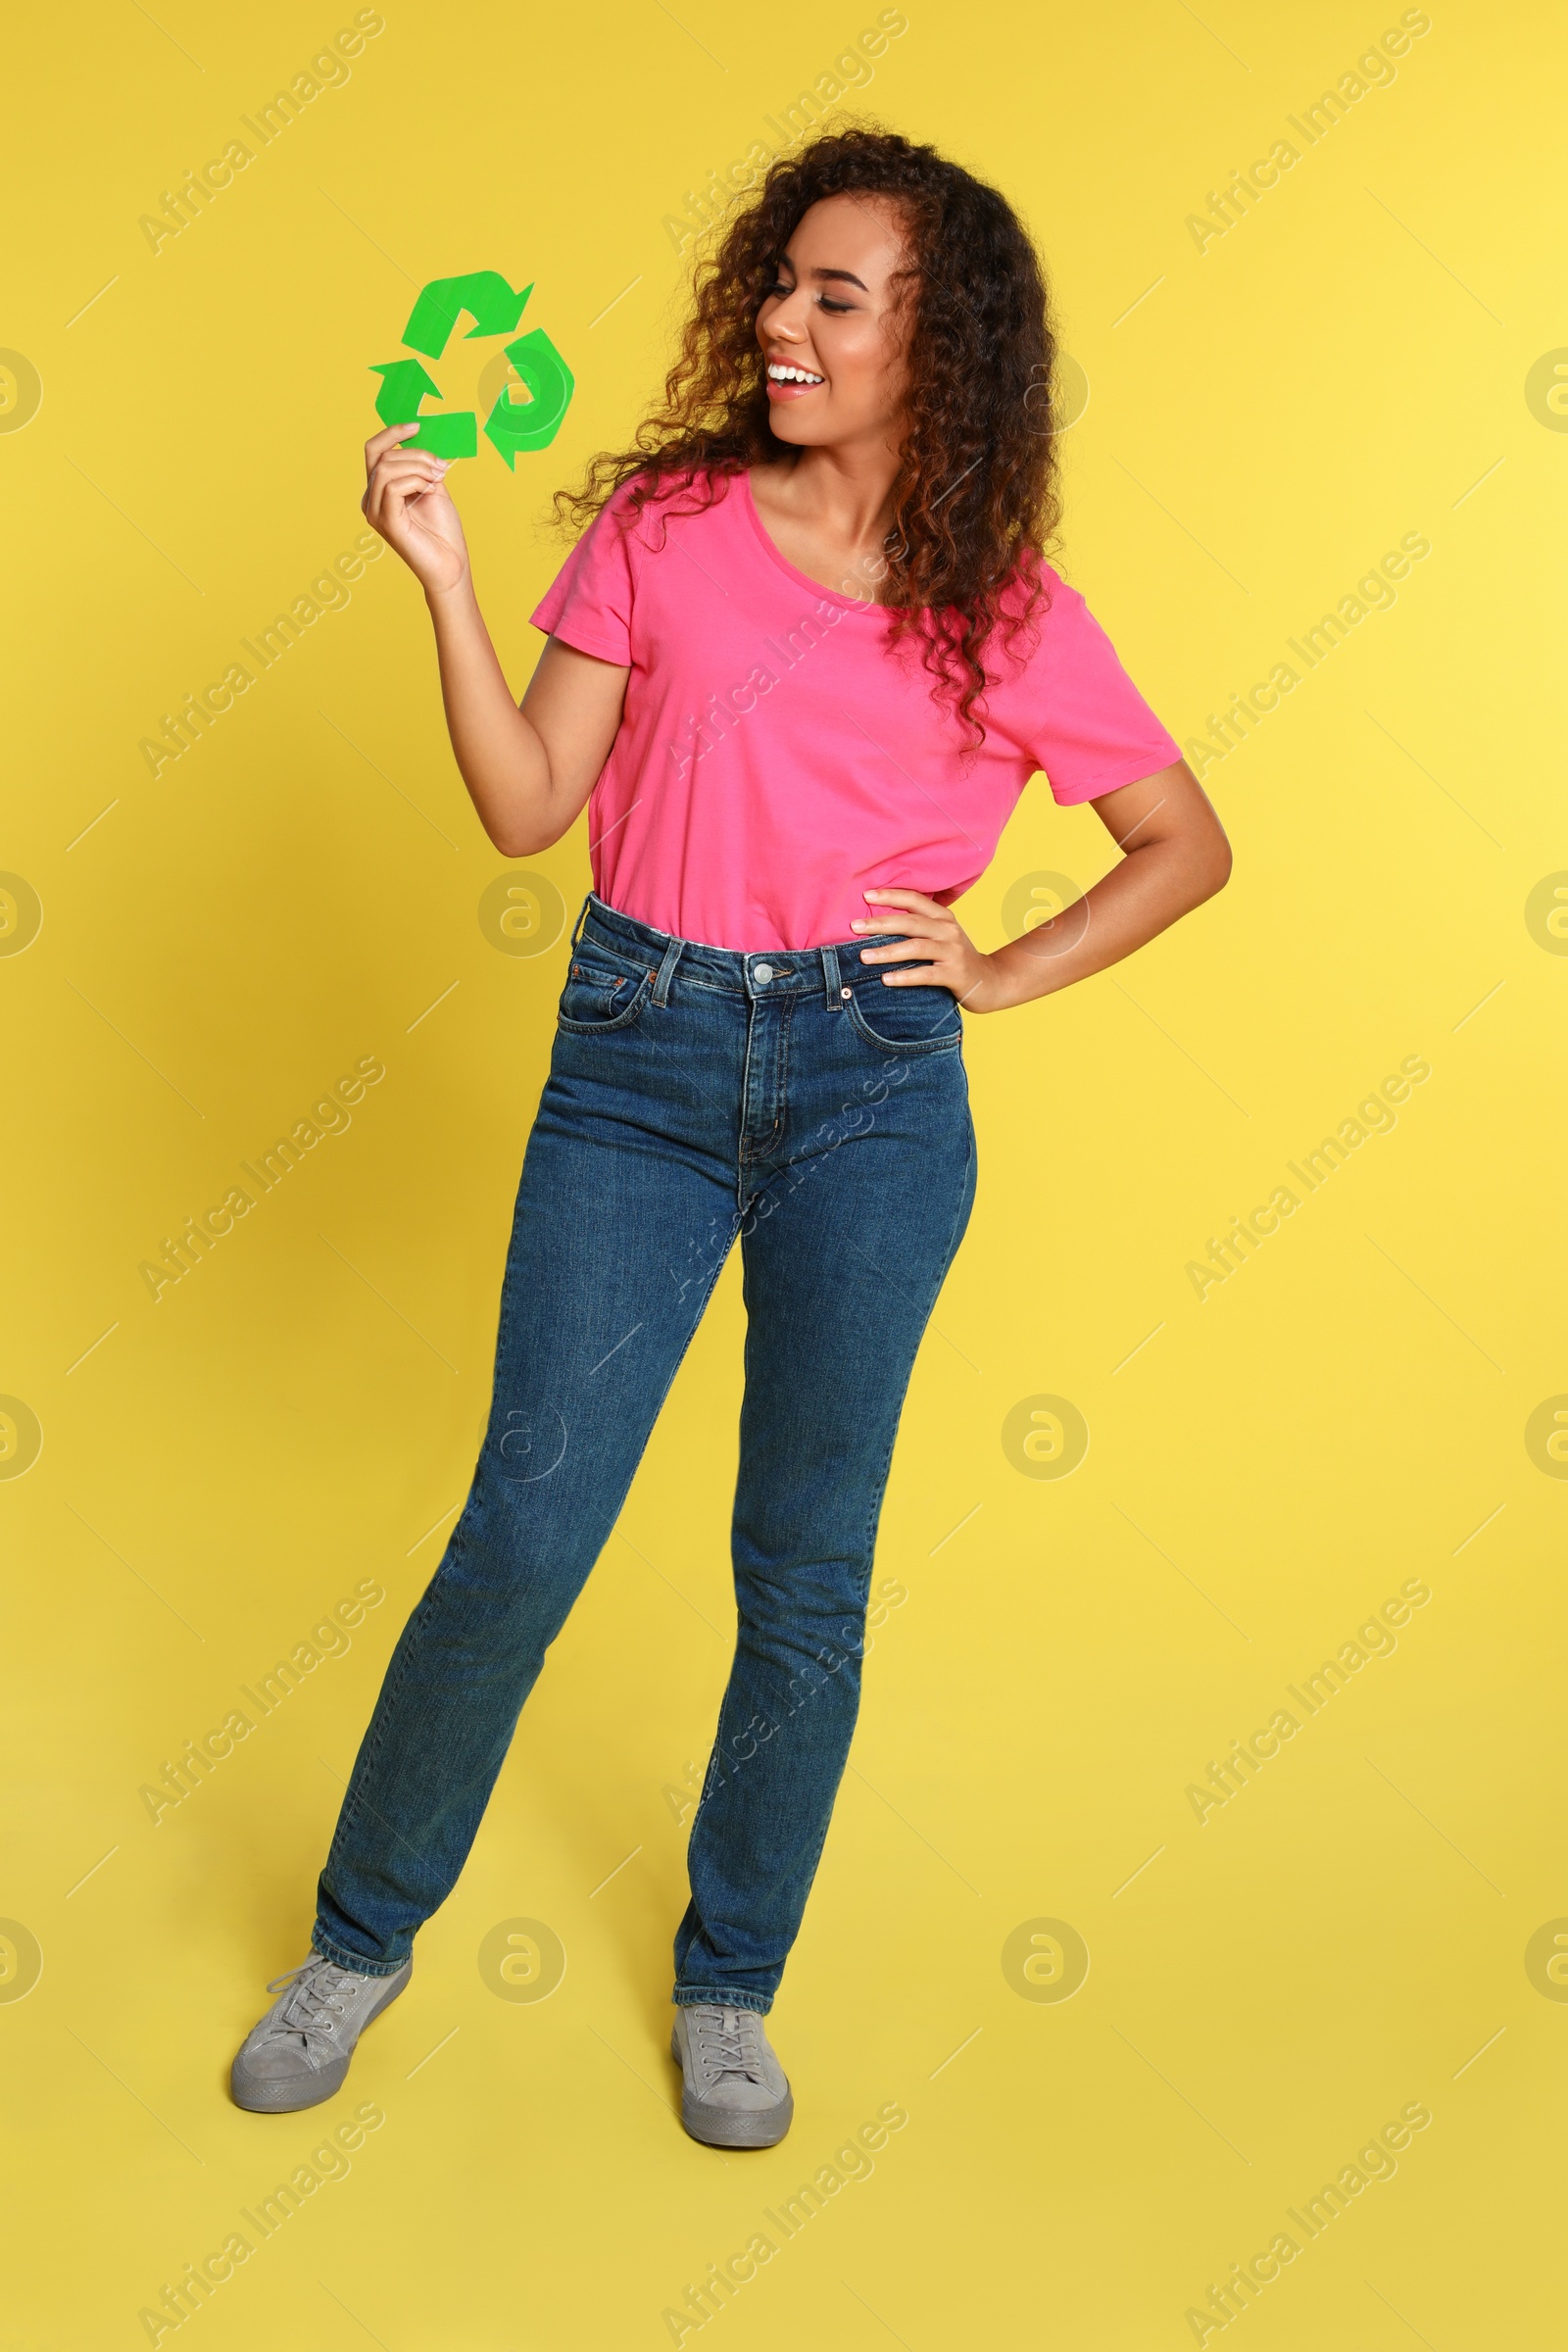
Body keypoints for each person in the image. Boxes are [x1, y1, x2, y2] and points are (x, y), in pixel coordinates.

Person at [230, 126, 1230, 2146]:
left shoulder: (1000, 605)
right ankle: (357, 1938)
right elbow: (527, 805)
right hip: (638, 1061)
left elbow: (1180, 844)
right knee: (523, 1531)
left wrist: (1002, 969)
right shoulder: (667, 527)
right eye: (777, 282)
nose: (780, 317)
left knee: (804, 1570)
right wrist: (437, 581)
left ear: (928, 343)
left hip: (873, 1094)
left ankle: (730, 1981)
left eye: (830, 295)